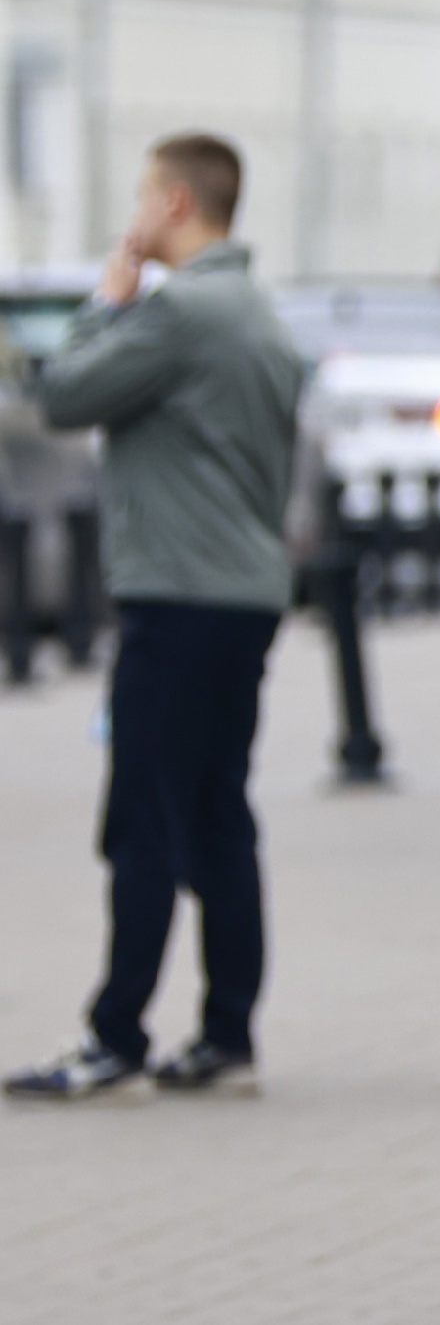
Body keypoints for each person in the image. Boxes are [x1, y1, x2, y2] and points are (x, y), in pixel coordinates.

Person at [5, 134, 303, 1101]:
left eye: (144, 195)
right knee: (218, 813)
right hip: (243, 594)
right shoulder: (256, 311)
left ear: (174, 203)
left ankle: (116, 1037)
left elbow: (62, 395)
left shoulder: (181, 312)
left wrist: (106, 300)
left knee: (143, 818)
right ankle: (227, 1034)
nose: (134, 212)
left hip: (177, 594)